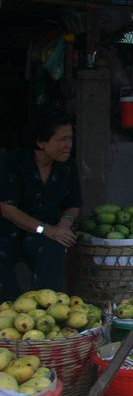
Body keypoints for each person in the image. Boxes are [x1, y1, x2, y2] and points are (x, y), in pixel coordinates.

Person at [0, 111, 82, 300]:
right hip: (11, 227)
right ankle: (9, 309)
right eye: (62, 140)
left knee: (53, 251)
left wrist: (64, 224)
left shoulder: (67, 165)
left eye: (70, 138)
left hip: (49, 228)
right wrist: (44, 229)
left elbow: (74, 204)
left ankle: (47, 308)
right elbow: (7, 209)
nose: (68, 145)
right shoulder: (13, 162)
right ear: (41, 142)